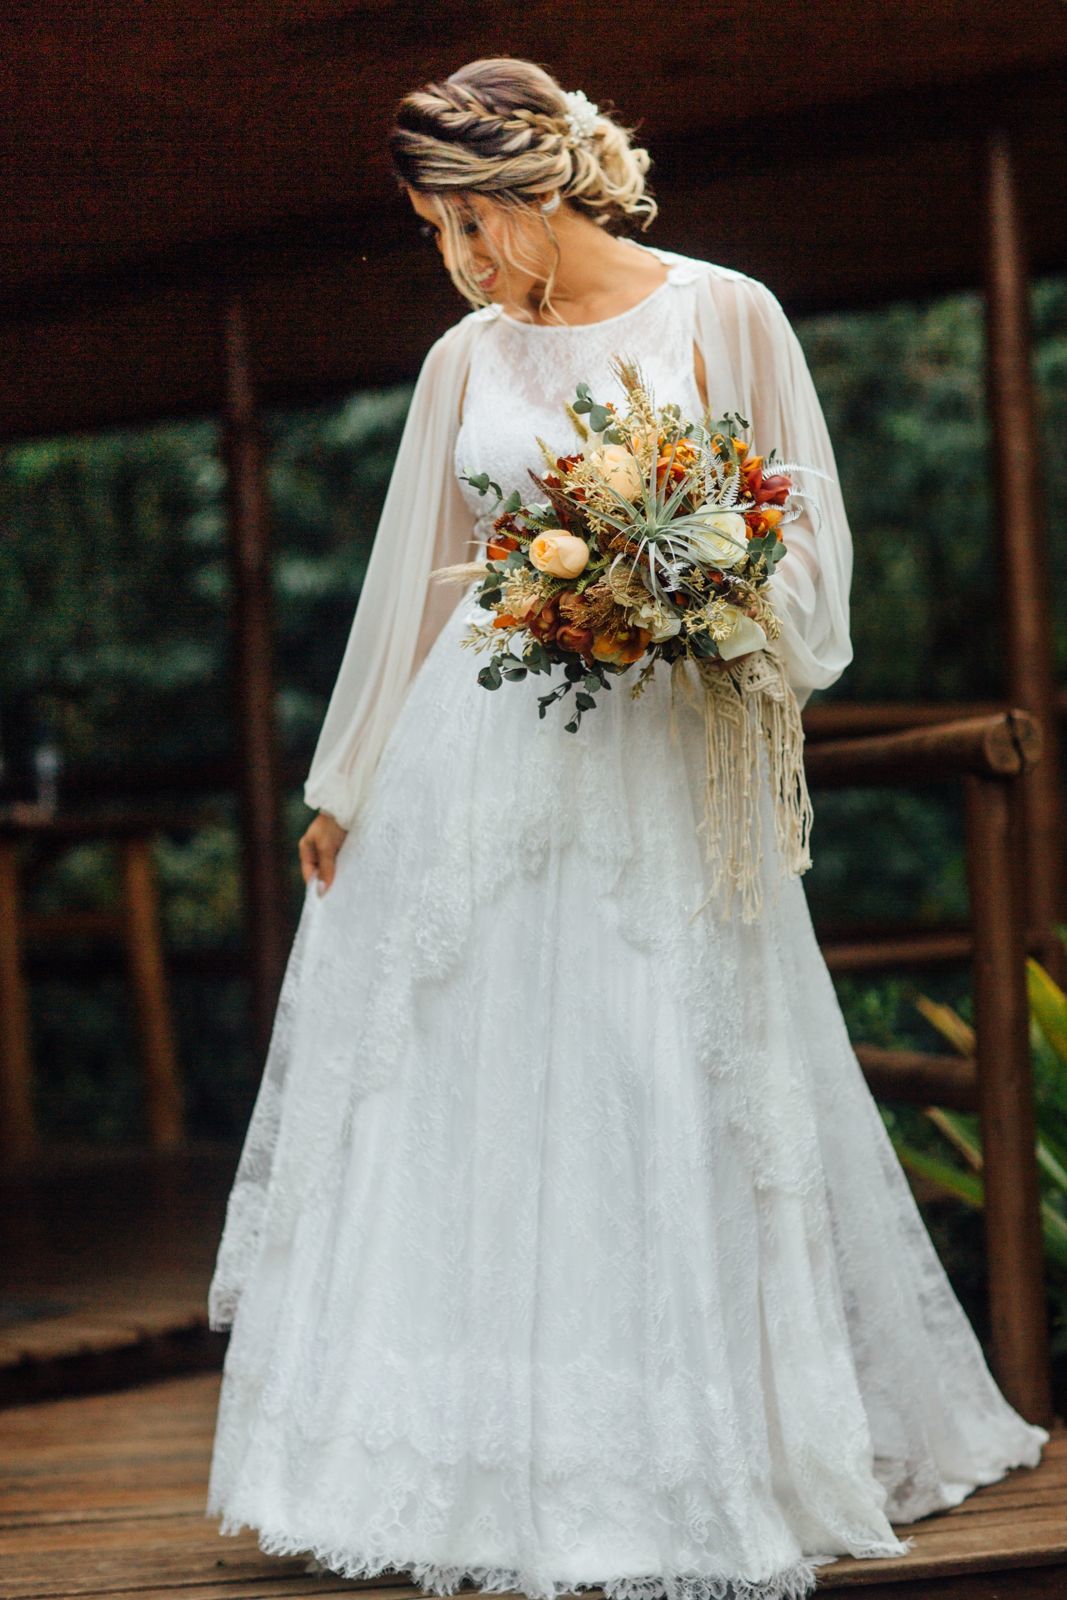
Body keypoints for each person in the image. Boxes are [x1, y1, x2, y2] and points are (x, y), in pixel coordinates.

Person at [204, 56, 1047, 1600]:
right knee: (457, 1072)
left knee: (651, 1059)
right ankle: (450, 1459)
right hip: (474, 755)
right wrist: (347, 783)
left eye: (464, 223)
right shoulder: (465, 360)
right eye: (433, 231)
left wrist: (683, 598)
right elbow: (416, 584)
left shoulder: (728, 314)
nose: (455, 260)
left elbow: (810, 561)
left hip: (660, 764)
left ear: (537, 189)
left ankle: (696, 1439)